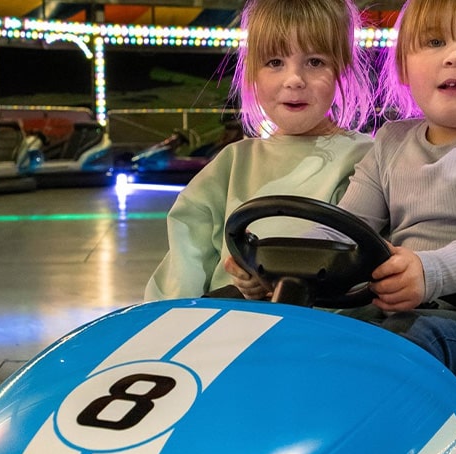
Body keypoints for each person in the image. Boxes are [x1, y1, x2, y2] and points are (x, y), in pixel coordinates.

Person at [228, 0, 456, 425]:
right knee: (300, 336)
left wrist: (430, 273)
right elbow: (343, 236)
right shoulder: (390, 142)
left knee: (400, 346)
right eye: (435, 42)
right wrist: (272, 274)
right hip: (406, 322)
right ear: (404, 67)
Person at [143, 0, 374, 300]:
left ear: (342, 69)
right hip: (232, 324)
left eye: (315, 62)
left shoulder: (370, 159)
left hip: (328, 330)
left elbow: (380, 262)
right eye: (275, 62)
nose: (294, 80)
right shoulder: (231, 164)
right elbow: (183, 268)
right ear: (253, 73)